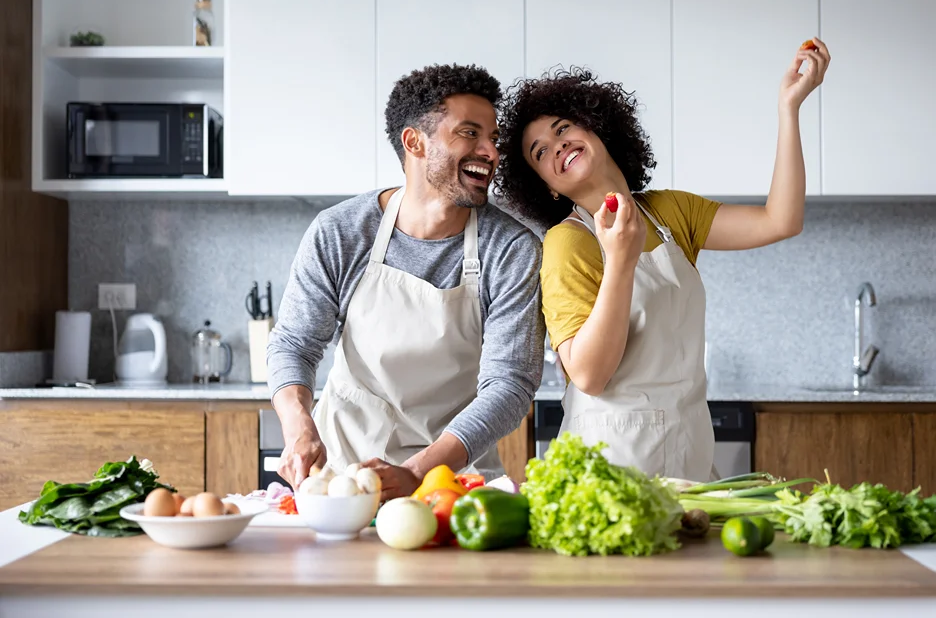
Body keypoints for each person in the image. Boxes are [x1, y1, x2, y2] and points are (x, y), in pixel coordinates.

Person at [495, 39, 831, 481]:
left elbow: (780, 220)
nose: (556, 146)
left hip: (689, 454)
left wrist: (790, 108)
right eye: (539, 152)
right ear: (548, 187)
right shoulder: (567, 244)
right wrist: (620, 261)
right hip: (610, 469)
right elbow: (589, 376)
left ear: (596, 129)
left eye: (562, 129)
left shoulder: (670, 212)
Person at [267, 63, 546, 501]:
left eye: (493, 138)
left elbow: (510, 384)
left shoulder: (511, 249)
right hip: (344, 479)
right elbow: (294, 344)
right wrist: (299, 425)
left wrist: (419, 470)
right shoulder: (341, 231)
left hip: (455, 483)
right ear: (415, 142)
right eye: (470, 133)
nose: (491, 151)